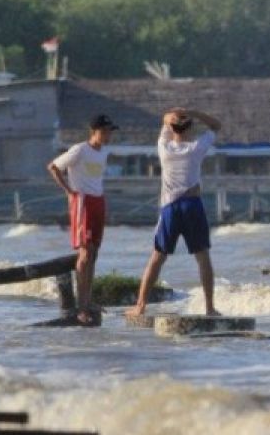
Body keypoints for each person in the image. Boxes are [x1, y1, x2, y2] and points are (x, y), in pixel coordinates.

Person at [128, 107, 223, 318]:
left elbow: (165, 119)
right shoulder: (197, 147)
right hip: (192, 205)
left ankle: (141, 305)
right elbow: (216, 125)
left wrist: (174, 114)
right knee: (203, 257)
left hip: (170, 207)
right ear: (190, 128)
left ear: (171, 128)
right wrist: (194, 112)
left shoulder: (164, 148)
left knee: (157, 257)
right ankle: (209, 307)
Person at [48, 113, 117, 325]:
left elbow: (97, 178)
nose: (108, 136)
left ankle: (88, 300)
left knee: (94, 252)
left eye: (109, 132)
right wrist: (69, 191)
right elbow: (54, 167)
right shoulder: (80, 149)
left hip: (98, 201)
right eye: (104, 131)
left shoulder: (103, 152)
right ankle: (82, 306)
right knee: (85, 253)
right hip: (82, 202)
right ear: (94, 131)